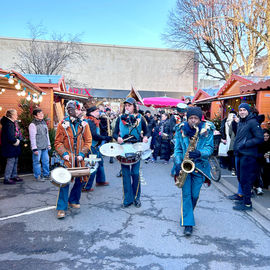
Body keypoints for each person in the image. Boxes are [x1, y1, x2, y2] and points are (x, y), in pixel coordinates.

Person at [174, 106, 215, 236]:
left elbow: (210, 148)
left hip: (200, 167)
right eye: (190, 118)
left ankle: (188, 214)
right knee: (186, 194)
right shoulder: (181, 129)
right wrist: (179, 161)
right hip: (185, 166)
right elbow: (178, 149)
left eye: (195, 118)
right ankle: (188, 224)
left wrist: (200, 153)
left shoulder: (207, 130)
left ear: (200, 119)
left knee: (195, 195)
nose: (193, 121)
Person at [54, 100, 92, 219]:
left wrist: (82, 153)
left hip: (80, 158)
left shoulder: (84, 124)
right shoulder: (62, 124)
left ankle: (74, 199)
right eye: (78, 109)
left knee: (80, 181)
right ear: (71, 110)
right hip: (68, 159)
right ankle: (61, 208)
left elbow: (88, 141)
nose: (80, 111)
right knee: (64, 182)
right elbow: (58, 142)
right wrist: (64, 153)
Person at [113, 97, 150, 208]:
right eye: (126, 105)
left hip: (136, 147)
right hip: (123, 149)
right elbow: (114, 133)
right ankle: (127, 199)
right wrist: (117, 138)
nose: (127, 107)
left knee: (135, 173)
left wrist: (146, 137)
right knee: (125, 175)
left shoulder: (140, 118)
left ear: (134, 106)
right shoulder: (120, 119)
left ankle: (136, 198)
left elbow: (147, 131)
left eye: (129, 105)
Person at [233, 103, 264, 211]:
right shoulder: (242, 122)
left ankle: (247, 204)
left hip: (249, 156)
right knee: (241, 178)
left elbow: (260, 138)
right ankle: (244, 199)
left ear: (248, 111)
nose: (242, 112)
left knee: (246, 180)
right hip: (241, 154)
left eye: (244, 110)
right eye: (240, 110)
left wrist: (246, 144)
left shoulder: (252, 122)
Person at [82, 106, 111, 192]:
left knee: (100, 163)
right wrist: (105, 138)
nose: (99, 113)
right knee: (92, 166)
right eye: (97, 111)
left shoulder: (93, 121)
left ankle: (100, 181)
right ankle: (86, 186)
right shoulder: (90, 122)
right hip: (91, 146)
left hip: (94, 146)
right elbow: (94, 135)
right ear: (91, 113)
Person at [1, 109, 23, 184]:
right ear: (12, 115)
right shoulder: (9, 124)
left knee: (15, 161)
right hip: (10, 146)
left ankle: (14, 176)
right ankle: (7, 178)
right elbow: (10, 136)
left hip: (13, 146)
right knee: (11, 162)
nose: (17, 115)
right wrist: (15, 141)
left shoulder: (12, 123)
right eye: (16, 114)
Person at [29, 108, 51, 181]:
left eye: (42, 113)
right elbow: (32, 137)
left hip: (45, 146)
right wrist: (34, 148)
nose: (41, 115)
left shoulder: (44, 123)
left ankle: (46, 174)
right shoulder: (32, 124)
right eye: (39, 114)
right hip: (37, 147)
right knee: (37, 162)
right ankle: (37, 176)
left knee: (46, 161)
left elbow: (46, 134)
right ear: (35, 116)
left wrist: (49, 144)